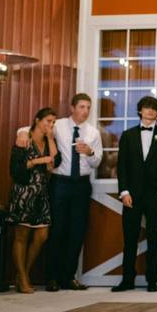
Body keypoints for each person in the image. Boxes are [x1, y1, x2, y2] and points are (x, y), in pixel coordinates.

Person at [111, 96, 157, 293]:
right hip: (132, 195)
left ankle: (152, 281)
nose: (150, 111)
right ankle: (127, 280)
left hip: (154, 195)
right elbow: (122, 166)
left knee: (154, 238)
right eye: (146, 108)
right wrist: (124, 191)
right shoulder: (128, 135)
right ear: (140, 111)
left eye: (154, 109)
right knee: (130, 239)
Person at [46, 93, 102, 292]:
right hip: (60, 182)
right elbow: (34, 128)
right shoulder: (59, 125)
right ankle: (52, 277)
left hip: (81, 184)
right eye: (82, 107)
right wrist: (21, 132)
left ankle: (69, 277)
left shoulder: (93, 132)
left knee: (77, 231)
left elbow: (97, 161)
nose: (85, 111)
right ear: (72, 108)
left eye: (88, 107)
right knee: (57, 229)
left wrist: (90, 153)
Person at [8, 108, 60, 293]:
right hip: (23, 193)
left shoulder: (49, 141)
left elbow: (56, 162)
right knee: (21, 237)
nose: (50, 125)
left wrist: (52, 139)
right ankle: (23, 278)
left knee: (42, 236)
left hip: (42, 194)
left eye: (53, 122)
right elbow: (16, 170)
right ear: (37, 120)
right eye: (48, 121)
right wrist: (38, 161)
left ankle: (24, 273)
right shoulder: (24, 138)